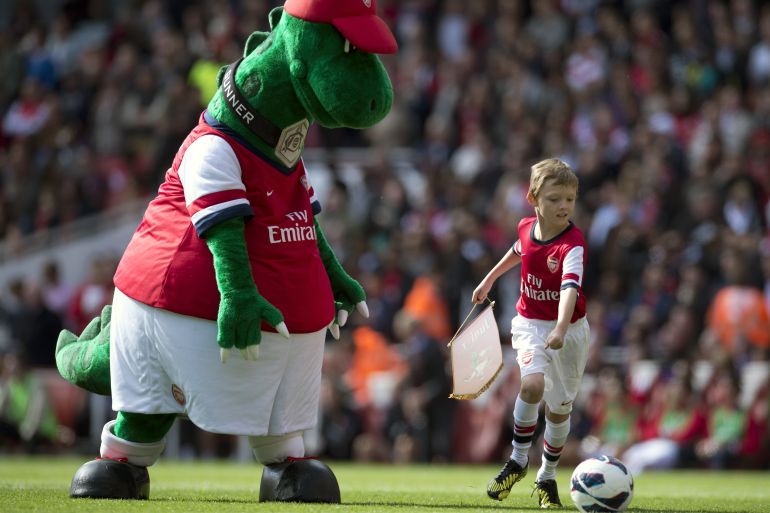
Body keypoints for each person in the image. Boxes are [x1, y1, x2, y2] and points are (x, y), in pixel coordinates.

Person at [472, 158, 589, 509]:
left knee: (558, 410)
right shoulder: (526, 227)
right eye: (554, 198)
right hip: (529, 324)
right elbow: (519, 250)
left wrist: (561, 327)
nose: (564, 206)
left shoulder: (573, 243)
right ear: (533, 199)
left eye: (569, 199)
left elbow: (570, 288)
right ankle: (518, 460)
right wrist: (489, 279)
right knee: (532, 385)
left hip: (569, 331)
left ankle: (546, 476)